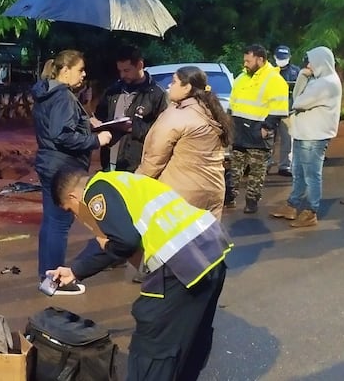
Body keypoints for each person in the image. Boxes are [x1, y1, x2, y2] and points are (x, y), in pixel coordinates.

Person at [47, 168, 232, 381]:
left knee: (153, 344)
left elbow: (123, 241)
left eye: (71, 210)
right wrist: (75, 270)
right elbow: (116, 238)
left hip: (179, 264)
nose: (77, 216)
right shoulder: (122, 180)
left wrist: (100, 252)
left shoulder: (94, 193)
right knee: (191, 337)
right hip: (211, 249)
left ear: (73, 197)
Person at [31, 50, 113, 295]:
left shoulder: (46, 92)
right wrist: (96, 141)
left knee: (51, 222)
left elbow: (58, 127)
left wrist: (88, 124)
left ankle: (46, 276)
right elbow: (62, 134)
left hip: (48, 162)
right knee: (59, 223)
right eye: (80, 69)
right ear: (65, 71)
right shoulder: (63, 96)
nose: (84, 74)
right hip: (62, 166)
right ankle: (55, 279)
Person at [136, 66, 233, 220]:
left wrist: (136, 182)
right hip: (214, 190)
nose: (169, 86)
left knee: (175, 242)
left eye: (174, 82)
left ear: (187, 87)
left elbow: (155, 159)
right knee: (207, 241)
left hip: (183, 194)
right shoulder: (212, 110)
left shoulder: (177, 115)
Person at [270, 46, 342, 227]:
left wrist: (302, 75)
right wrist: (304, 77)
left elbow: (299, 101)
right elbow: (298, 99)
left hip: (315, 136)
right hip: (305, 133)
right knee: (299, 173)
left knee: (311, 175)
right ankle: (293, 206)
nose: (308, 64)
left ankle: (311, 211)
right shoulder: (320, 80)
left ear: (321, 61)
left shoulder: (326, 83)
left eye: (311, 61)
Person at [227, 44, 289, 213]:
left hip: (258, 132)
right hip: (239, 132)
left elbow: (279, 109)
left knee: (256, 172)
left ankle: (251, 202)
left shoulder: (274, 80)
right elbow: (233, 105)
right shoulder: (241, 78)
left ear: (260, 60)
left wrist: (267, 127)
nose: (245, 64)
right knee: (234, 169)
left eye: (248, 60)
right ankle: (229, 198)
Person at [94, 45, 168, 172]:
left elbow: (162, 133)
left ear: (139, 65)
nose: (122, 75)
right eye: (120, 70)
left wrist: (134, 128)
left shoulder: (156, 94)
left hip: (136, 164)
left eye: (127, 70)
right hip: (109, 161)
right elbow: (100, 116)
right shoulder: (113, 91)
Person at [271, 45, 301, 176]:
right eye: (279, 58)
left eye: (284, 58)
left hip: (288, 112)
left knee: (287, 140)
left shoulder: (296, 72)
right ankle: (266, 164)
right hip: (270, 112)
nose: (281, 60)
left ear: (289, 57)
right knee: (268, 140)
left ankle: (285, 166)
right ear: (274, 57)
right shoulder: (269, 72)